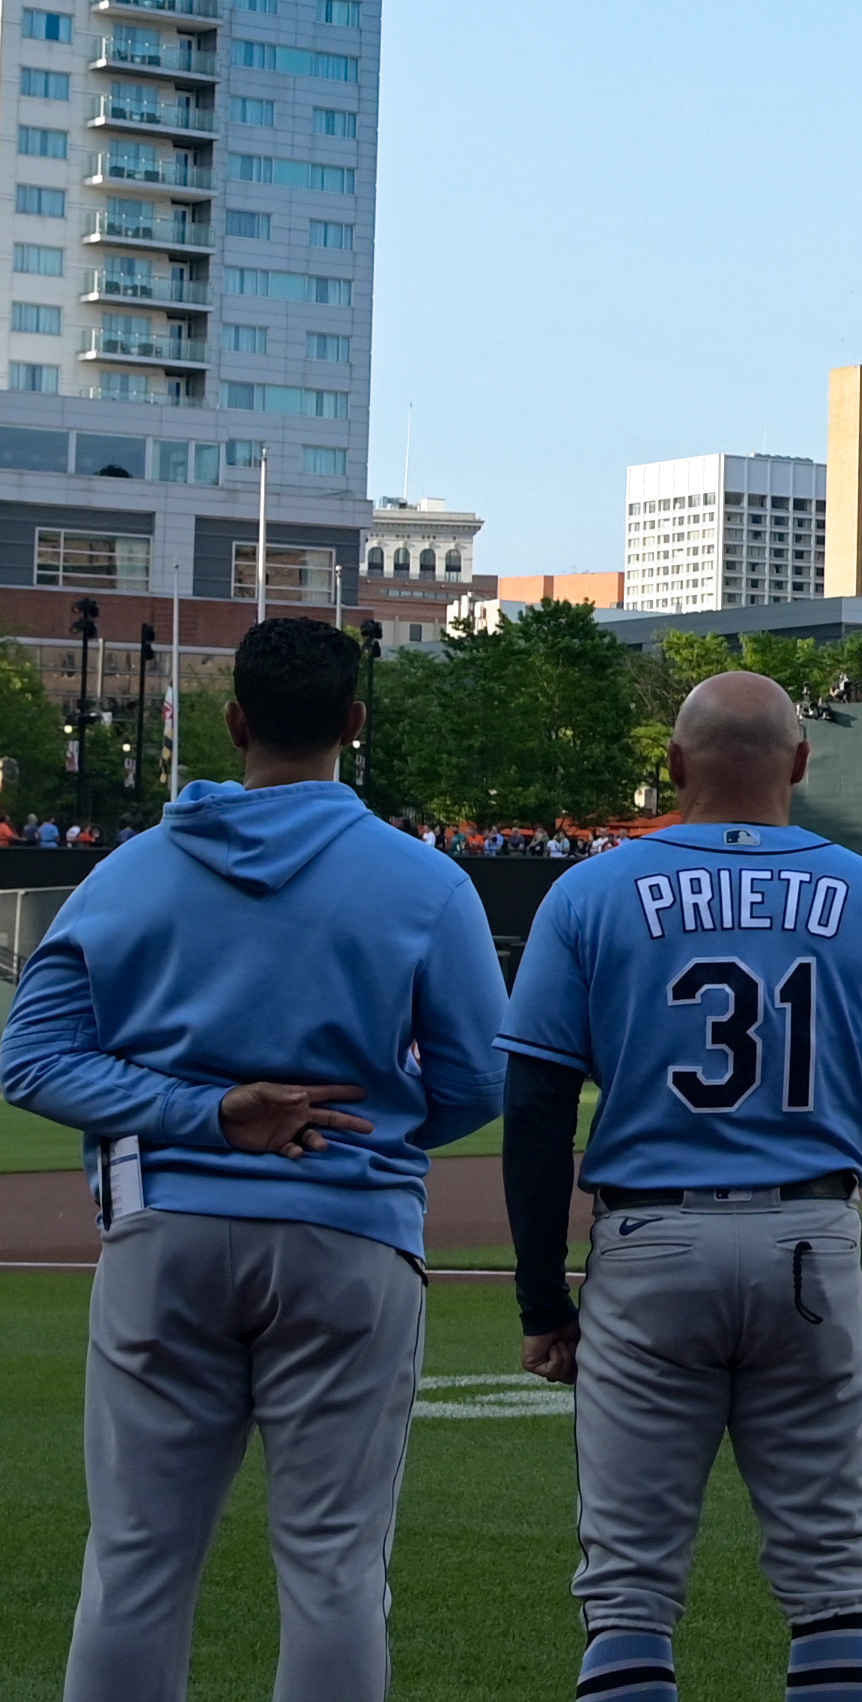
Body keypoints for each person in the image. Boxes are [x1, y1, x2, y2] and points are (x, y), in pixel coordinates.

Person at [0, 617, 508, 1701]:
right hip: (349, 1235)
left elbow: (32, 1059)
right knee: (333, 1569)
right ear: (354, 725)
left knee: (135, 1564)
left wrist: (207, 1113)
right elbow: (476, 1084)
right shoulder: (425, 884)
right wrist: (350, 1127)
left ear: (233, 721)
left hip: (162, 1232)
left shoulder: (126, 876)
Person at [498, 671, 862, 1702]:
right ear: (800, 763)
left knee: (628, 1589)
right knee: (832, 1581)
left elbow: (533, 1108)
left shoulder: (589, 890)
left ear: (671, 764)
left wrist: (541, 1299)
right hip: (808, 1238)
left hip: (652, 1242)